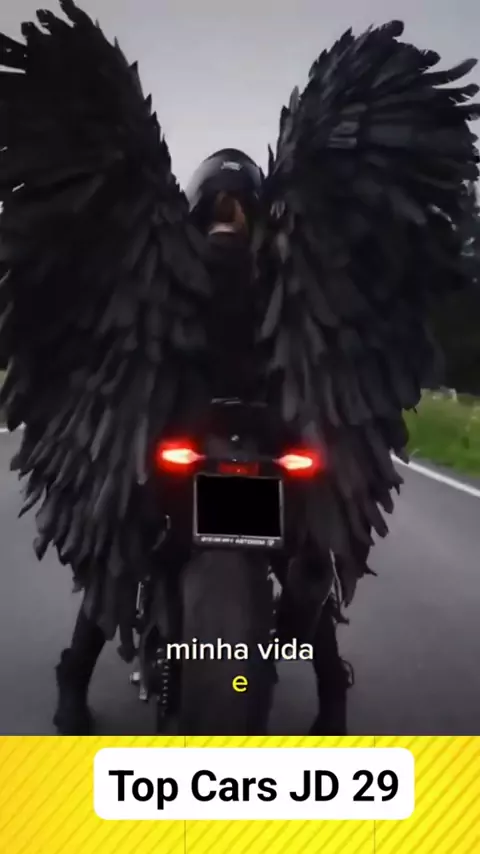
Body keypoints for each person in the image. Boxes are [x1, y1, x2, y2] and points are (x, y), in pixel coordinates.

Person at [54, 148, 354, 736]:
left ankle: (74, 678)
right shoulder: (287, 277)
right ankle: (332, 699)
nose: (229, 216)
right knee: (302, 555)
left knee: (123, 548)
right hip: (257, 444)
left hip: (203, 444)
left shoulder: (170, 274)